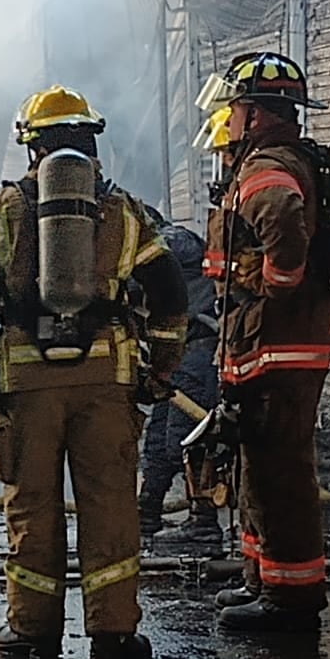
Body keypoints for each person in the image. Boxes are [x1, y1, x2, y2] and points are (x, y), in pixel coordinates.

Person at [0, 87, 189, 659]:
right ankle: (115, 635)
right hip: (108, 379)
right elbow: (170, 292)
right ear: (91, 142)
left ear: (31, 146)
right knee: (110, 504)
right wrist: (162, 367)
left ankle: (31, 633)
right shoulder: (124, 211)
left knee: (33, 505)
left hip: (26, 386)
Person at [199, 53, 330, 633]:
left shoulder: (267, 169)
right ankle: (262, 578)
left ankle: (292, 599)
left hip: (279, 342)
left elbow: (282, 222)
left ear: (255, 115)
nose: (228, 120)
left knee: (281, 472)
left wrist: (273, 286)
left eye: (235, 109)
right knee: (257, 464)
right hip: (265, 341)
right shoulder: (272, 160)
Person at [138, 217, 221, 553]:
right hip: (173, 357)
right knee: (159, 439)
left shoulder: (175, 241)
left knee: (189, 439)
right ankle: (147, 514)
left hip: (198, 352)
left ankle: (204, 522)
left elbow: (171, 252)